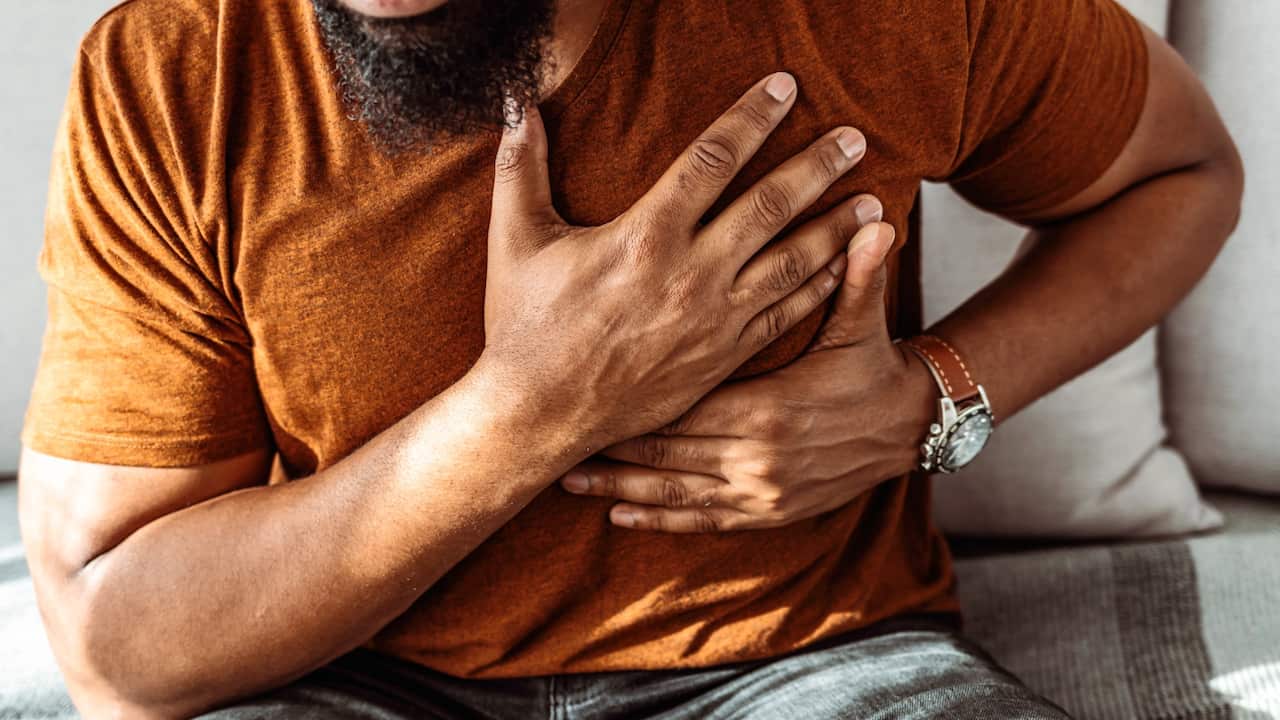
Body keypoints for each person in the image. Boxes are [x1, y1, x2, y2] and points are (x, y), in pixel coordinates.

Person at [17, 0, 1242, 717]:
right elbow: (117, 640)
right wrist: (531, 406)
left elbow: (1184, 176)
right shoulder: (177, 63)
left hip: (811, 663)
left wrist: (932, 398)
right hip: (347, 679)